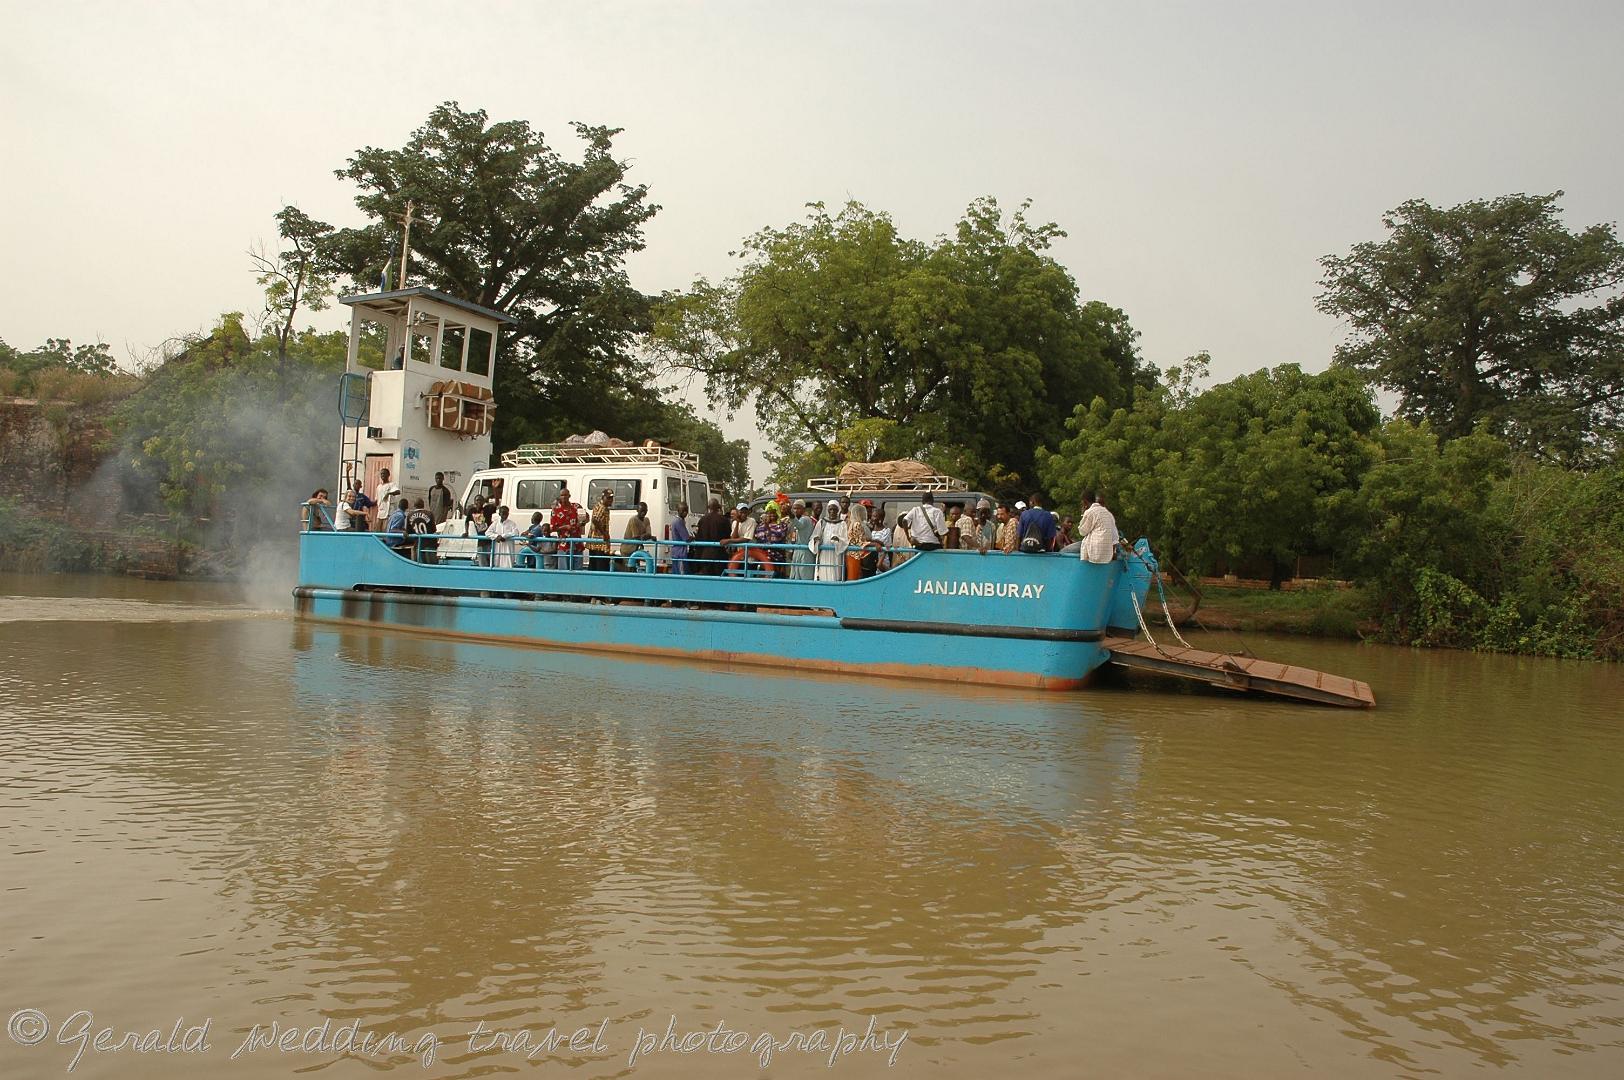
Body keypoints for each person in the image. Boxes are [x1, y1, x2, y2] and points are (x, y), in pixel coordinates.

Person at [728, 503, 781, 577]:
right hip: (739, 555)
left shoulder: (751, 521)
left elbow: (746, 539)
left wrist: (728, 541)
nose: (743, 514)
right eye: (741, 512)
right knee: (739, 576)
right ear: (737, 512)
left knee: (750, 575)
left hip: (751, 556)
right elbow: (734, 537)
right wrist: (737, 522)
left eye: (745, 512)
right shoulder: (734, 523)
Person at [809, 500, 849, 582]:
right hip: (824, 554)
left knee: (835, 576)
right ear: (827, 510)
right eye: (830, 509)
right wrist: (816, 540)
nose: (832, 511)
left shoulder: (842, 524)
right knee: (822, 575)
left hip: (836, 555)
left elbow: (845, 541)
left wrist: (838, 540)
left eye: (834, 509)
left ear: (838, 510)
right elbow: (814, 536)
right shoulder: (821, 522)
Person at [1078, 491, 1122, 564]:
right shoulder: (1108, 514)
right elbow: (1115, 537)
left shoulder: (1090, 512)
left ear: (1084, 502)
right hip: (1107, 555)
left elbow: (1082, 532)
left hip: (1094, 553)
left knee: (1071, 548)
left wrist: (1083, 513)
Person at [693, 498, 731, 575]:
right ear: (718, 507)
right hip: (720, 554)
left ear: (708, 507)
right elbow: (728, 535)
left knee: (707, 578)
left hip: (705, 554)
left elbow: (699, 537)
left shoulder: (702, 520)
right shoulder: (724, 520)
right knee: (720, 578)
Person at [550, 487, 581, 570]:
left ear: (569, 496)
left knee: (577, 570)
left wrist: (584, 521)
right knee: (564, 570)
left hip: (577, 543)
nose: (563, 497)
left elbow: (584, 519)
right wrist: (565, 527)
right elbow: (552, 528)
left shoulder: (576, 507)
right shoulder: (555, 510)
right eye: (562, 495)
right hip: (563, 544)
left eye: (565, 495)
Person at [586, 489, 615, 571]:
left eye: (611, 498)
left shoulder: (600, 506)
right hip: (598, 544)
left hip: (595, 543)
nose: (610, 500)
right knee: (600, 567)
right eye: (608, 498)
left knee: (594, 566)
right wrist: (604, 533)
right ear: (603, 497)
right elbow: (595, 520)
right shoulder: (602, 508)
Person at [620, 501, 653, 569]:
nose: (643, 513)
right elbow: (637, 536)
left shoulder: (646, 520)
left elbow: (648, 534)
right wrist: (647, 536)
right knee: (630, 569)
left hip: (636, 549)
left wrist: (647, 536)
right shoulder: (633, 520)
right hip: (628, 549)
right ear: (637, 510)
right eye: (641, 511)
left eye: (645, 511)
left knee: (636, 568)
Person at [788, 500, 815, 580]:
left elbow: (799, 525)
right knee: (795, 576)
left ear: (803, 509)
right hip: (796, 551)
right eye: (794, 508)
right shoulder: (795, 520)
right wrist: (791, 550)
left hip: (805, 552)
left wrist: (789, 512)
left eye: (798, 508)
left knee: (805, 576)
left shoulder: (805, 519)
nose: (796, 511)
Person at [668, 501, 692, 574]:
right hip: (680, 552)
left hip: (677, 551)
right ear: (678, 511)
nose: (685, 513)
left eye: (686, 511)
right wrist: (693, 538)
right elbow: (686, 538)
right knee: (681, 573)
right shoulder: (678, 521)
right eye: (683, 511)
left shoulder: (677, 520)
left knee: (676, 572)